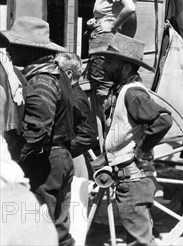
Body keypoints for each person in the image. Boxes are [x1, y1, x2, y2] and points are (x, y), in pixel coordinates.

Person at [0, 17, 75, 246]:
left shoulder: (41, 79)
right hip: (60, 156)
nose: (9, 50)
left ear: (28, 49)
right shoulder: (57, 73)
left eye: (14, 45)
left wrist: (20, 155)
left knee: (42, 226)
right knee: (59, 228)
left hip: (46, 160)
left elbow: (41, 123)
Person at [93, 33, 173, 246]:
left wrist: (141, 149)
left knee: (139, 241)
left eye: (110, 61)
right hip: (131, 180)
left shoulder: (133, 94)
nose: (104, 65)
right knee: (141, 238)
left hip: (134, 180)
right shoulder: (121, 91)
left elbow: (163, 120)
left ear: (127, 68)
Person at [85, 0, 139, 130]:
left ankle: (111, 139)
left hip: (105, 50)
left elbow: (129, 7)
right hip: (104, 47)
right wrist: (98, 21)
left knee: (102, 96)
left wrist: (113, 25)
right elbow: (111, 12)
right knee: (107, 96)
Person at [55, 53, 96, 246]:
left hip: (74, 158)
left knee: (74, 212)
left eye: (59, 71)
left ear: (69, 73)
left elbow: (88, 136)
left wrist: (64, 150)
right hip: (70, 156)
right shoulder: (70, 94)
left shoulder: (75, 97)